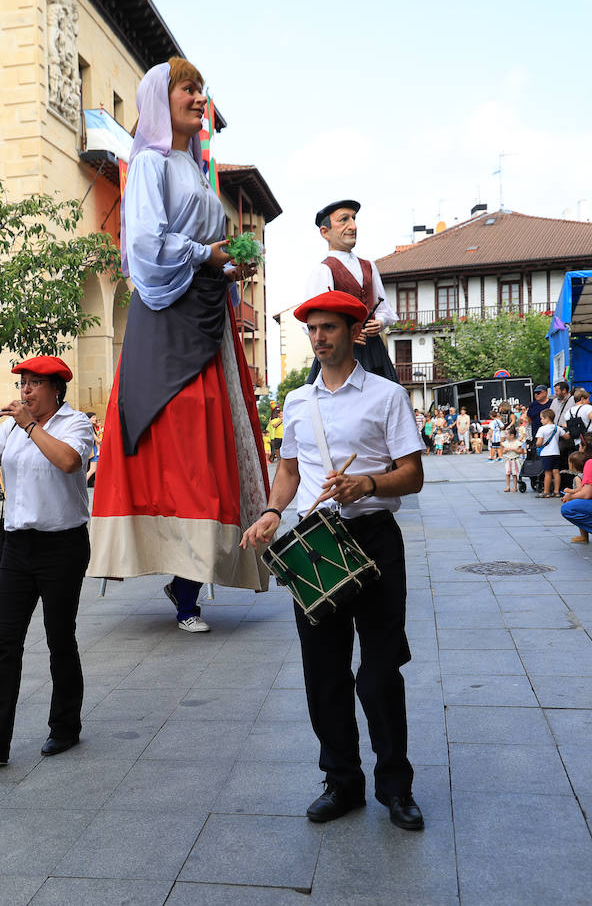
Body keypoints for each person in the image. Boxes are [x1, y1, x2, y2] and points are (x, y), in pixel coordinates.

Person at [89, 58, 268, 633]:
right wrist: (206, 255)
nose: (198, 98)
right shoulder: (149, 164)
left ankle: (189, 579)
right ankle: (183, 581)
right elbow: (142, 246)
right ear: (160, 100)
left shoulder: (192, 169)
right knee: (183, 437)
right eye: (188, 89)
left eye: (199, 90)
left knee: (212, 442)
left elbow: (197, 241)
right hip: (168, 316)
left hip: (205, 316)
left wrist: (227, 264)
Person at [241, 289, 426, 832]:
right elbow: (290, 470)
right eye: (311, 330)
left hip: (374, 538)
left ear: (351, 331)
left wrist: (366, 482)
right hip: (317, 542)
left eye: (327, 328)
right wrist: (273, 510)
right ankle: (342, 782)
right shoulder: (298, 402)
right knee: (323, 673)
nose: (318, 338)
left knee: (379, 673)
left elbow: (411, 474)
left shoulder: (387, 396)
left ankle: (396, 788)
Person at [0, 356, 95, 764]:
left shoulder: (75, 424)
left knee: (59, 638)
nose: (25, 392)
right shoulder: (12, 429)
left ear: (55, 389)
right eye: (22, 385)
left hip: (62, 545)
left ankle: (65, 726)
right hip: (17, 545)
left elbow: (69, 461)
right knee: (7, 642)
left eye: (33, 385)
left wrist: (30, 427)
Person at [303, 200, 400, 383]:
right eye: (344, 220)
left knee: (383, 400)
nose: (353, 226)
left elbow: (384, 309)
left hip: (373, 351)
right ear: (325, 232)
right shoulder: (322, 270)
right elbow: (312, 321)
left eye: (354, 219)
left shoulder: (369, 266)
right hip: (341, 354)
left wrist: (379, 322)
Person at [534, 408, 563, 498]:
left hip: (546, 454)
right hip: (556, 452)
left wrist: (537, 445)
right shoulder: (557, 428)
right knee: (556, 472)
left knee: (548, 473)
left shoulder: (542, 429)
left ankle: (546, 492)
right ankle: (556, 491)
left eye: (542, 418)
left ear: (547, 418)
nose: (541, 420)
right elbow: (566, 436)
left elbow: (539, 443)